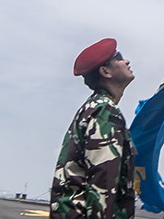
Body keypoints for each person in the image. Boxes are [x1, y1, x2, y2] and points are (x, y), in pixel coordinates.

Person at [50, 38, 136, 219]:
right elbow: (102, 181)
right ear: (105, 71)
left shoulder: (93, 107)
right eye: (119, 58)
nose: (126, 61)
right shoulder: (105, 111)